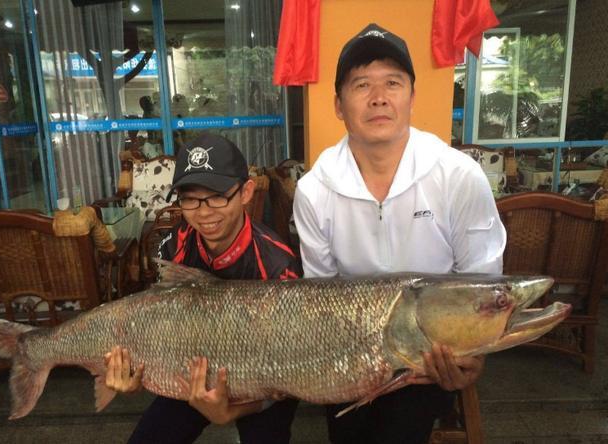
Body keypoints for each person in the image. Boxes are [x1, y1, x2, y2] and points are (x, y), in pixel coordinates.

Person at [292, 23, 506, 444]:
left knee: (402, 425)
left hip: (431, 355)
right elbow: (320, 298)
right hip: (350, 353)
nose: (378, 97)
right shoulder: (313, 190)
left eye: (393, 82)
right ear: (338, 104)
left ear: (411, 95)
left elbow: (484, 285)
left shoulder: (458, 176)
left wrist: (474, 352)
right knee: (350, 428)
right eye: (361, 85)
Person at [105, 133, 301, 444]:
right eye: (190, 198)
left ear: (246, 192)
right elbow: (159, 327)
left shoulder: (278, 264)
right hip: (194, 373)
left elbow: (290, 373)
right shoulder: (175, 246)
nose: (204, 211)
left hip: (263, 385)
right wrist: (137, 372)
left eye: (217, 195)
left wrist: (229, 412)